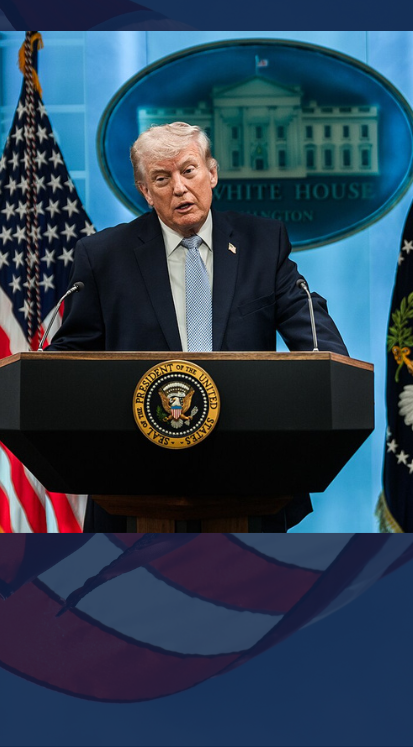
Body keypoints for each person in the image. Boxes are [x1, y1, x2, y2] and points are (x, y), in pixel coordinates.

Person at [47, 121, 347, 531]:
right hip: (135, 482)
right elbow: (71, 357)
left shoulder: (263, 242)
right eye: (161, 178)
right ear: (145, 191)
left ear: (212, 173)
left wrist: (336, 371)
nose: (179, 187)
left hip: (250, 479)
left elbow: (308, 326)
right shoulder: (103, 257)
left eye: (188, 170)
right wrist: (39, 378)